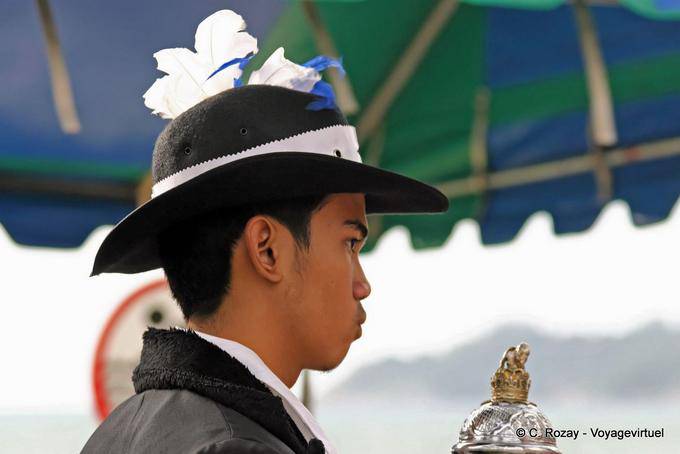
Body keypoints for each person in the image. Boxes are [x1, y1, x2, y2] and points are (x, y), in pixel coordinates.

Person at [82, 10, 448, 454]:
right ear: (267, 249)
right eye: (350, 243)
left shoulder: (115, 435)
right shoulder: (236, 446)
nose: (362, 284)